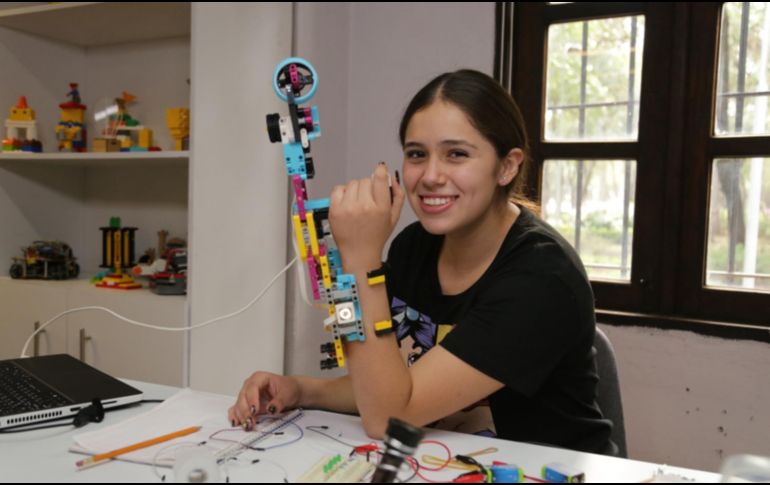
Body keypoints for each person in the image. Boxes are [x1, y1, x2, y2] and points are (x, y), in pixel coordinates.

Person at [229, 69, 615, 455]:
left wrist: (361, 261)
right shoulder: (415, 246)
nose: (430, 176)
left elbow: (388, 416)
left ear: (506, 166)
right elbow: (390, 386)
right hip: (453, 461)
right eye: (417, 154)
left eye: (456, 154)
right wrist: (301, 390)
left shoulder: (543, 278)